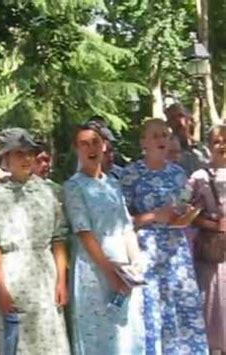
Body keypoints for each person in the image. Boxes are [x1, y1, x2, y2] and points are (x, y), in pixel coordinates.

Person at [120, 118, 207, 354]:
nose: (161, 140)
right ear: (143, 142)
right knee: (151, 309)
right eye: (155, 135)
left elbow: (179, 212)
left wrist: (186, 215)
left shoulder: (178, 174)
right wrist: (153, 216)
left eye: (165, 135)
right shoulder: (130, 175)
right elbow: (121, 222)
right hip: (146, 252)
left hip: (176, 253)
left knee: (180, 307)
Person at [0, 128, 70, 354]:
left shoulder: (50, 191)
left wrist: (61, 281)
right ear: (6, 159)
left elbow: (58, 239)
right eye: (19, 154)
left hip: (44, 278)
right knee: (14, 342)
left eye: (30, 153)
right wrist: (1, 288)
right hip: (11, 277)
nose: (26, 159)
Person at [64, 123, 145, 355]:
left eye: (95, 142)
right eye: (84, 143)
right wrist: (111, 274)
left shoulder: (112, 183)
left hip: (123, 268)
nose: (91, 148)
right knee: (98, 336)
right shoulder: (73, 186)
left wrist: (135, 264)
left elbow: (126, 225)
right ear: (76, 149)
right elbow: (84, 232)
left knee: (126, 333)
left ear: (104, 146)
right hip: (94, 269)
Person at [189, 125, 226, 355]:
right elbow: (187, 216)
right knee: (214, 305)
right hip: (214, 254)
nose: (222, 146)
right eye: (217, 141)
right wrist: (213, 224)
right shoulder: (199, 178)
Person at [165, 103, 209, 176]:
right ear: (168, 123)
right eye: (172, 118)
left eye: (181, 115)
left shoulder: (204, 150)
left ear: (189, 119)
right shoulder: (167, 151)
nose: (178, 120)